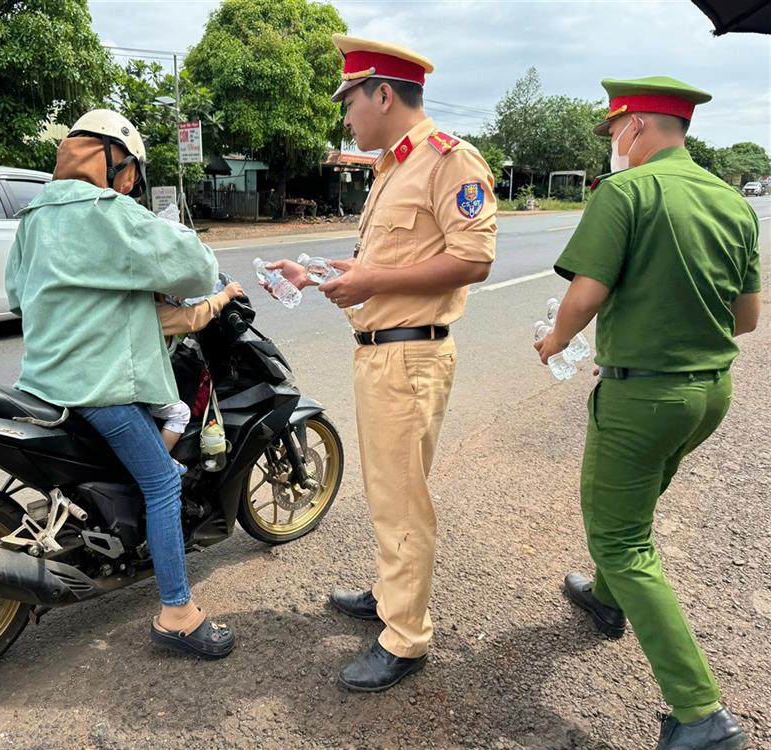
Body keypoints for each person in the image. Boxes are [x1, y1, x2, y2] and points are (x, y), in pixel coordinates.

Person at [535, 76, 760, 750]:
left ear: (636, 126)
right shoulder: (731, 201)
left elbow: (585, 295)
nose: (615, 147)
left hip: (642, 396)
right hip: (709, 392)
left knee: (619, 536)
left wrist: (553, 342)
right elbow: (746, 319)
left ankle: (701, 715)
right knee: (633, 510)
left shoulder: (627, 193)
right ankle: (607, 599)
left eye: (614, 134)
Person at [269, 34, 497, 692]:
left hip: (409, 355)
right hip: (383, 354)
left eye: (350, 101)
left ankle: (405, 635)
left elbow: (474, 259)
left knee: (402, 500)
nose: (346, 116)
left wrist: (375, 284)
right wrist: (323, 274)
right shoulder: (392, 167)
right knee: (388, 492)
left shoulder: (447, 160)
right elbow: (386, 269)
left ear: (383, 94)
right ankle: (387, 593)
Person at [5, 109, 236, 659]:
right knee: (161, 482)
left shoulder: (34, 214)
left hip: (43, 380)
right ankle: (178, 613)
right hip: (97, 386)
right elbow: (200, 271)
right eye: (129, 169)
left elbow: (17, 294)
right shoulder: (110, 213)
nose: (131, 181)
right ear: (111, 161)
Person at [152, 280, 246, 456]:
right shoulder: (154, 312)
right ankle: (161, 463)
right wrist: (225, 295)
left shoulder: (150, 302)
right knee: (180, 413)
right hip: (147, 385)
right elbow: (192, 318)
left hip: (149, 372)